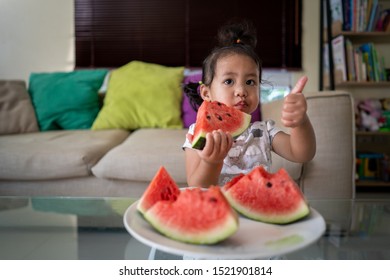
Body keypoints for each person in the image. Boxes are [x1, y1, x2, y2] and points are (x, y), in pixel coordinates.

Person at [182, 20, 316, 188]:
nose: (241, 91)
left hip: (258, 207)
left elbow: (302, 153)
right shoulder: (198, 134)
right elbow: (196, 184)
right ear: (206, 93)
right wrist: (211, 162)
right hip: (218, 208)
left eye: (250, 82)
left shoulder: (263, 131)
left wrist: (301, 123)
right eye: (229, 81)